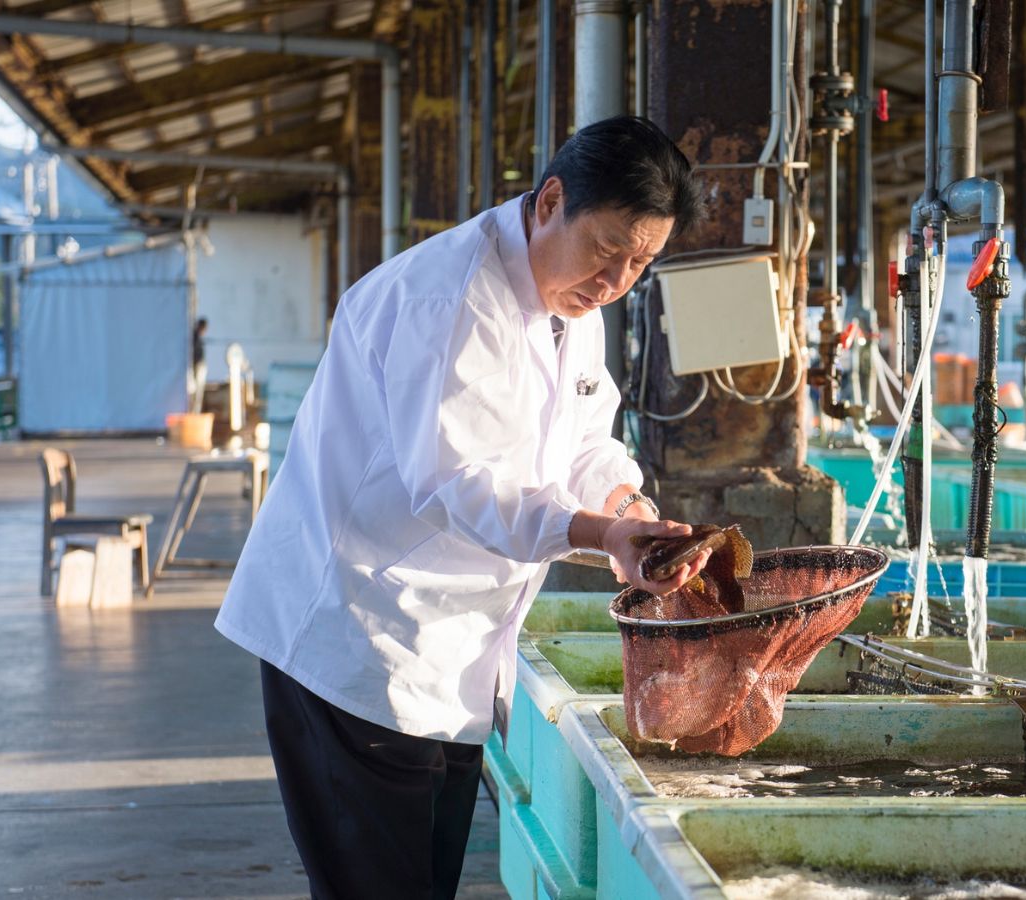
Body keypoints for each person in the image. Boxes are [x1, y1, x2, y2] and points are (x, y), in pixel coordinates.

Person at [214, 116, 710, 900]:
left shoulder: (572, 304)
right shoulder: (447, 296)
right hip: (357, 640)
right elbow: (456, 481)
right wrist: (599, 534)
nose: (617, 281)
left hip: (447, 650)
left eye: (641, 263)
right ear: (551, 201)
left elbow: (582, 437)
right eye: (610, 251)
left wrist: (629, 505)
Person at [190, 317, 208, 413]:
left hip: (198, 365)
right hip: (197, 365)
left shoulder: (196, 337)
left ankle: (195, 410)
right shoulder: (195, 337)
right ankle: (195, 411)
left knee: (197, 391)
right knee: (197, 391)